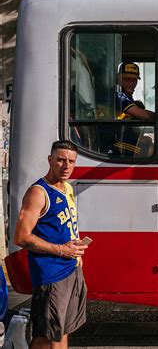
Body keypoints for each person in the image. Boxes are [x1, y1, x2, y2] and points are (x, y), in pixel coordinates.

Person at [13, 140, 88, 349]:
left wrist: (77, 255)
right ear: (50, 160)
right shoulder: (38, 192)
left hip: (71, 269)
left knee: (62, 331)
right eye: (61, 160)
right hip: (51, 274)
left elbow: (68, 226)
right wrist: (61, 250)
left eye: (71, 161)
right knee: (45, 337)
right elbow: (21, 237)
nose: (66, 166)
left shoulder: (67, 188)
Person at [112, 61, 155, 157]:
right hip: (117, 143)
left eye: (134, 80)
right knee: (152, 150)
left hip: (127, 139)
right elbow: (140, 114)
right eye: (127, 79)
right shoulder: (118, 95)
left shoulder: (129, 97)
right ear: (119, 78)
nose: (131, 83)